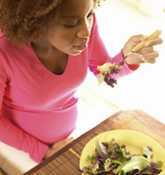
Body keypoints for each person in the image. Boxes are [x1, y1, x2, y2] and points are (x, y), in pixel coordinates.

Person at [0, 0, 162, 163]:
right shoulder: (4, 52)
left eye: (90, 15)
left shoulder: (83, 28)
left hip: (65, 141)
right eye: (70, 23)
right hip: (23, 151)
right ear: (36, 21)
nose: (85, 31)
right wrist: (42, 151)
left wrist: (126, 59)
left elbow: (104, 73)